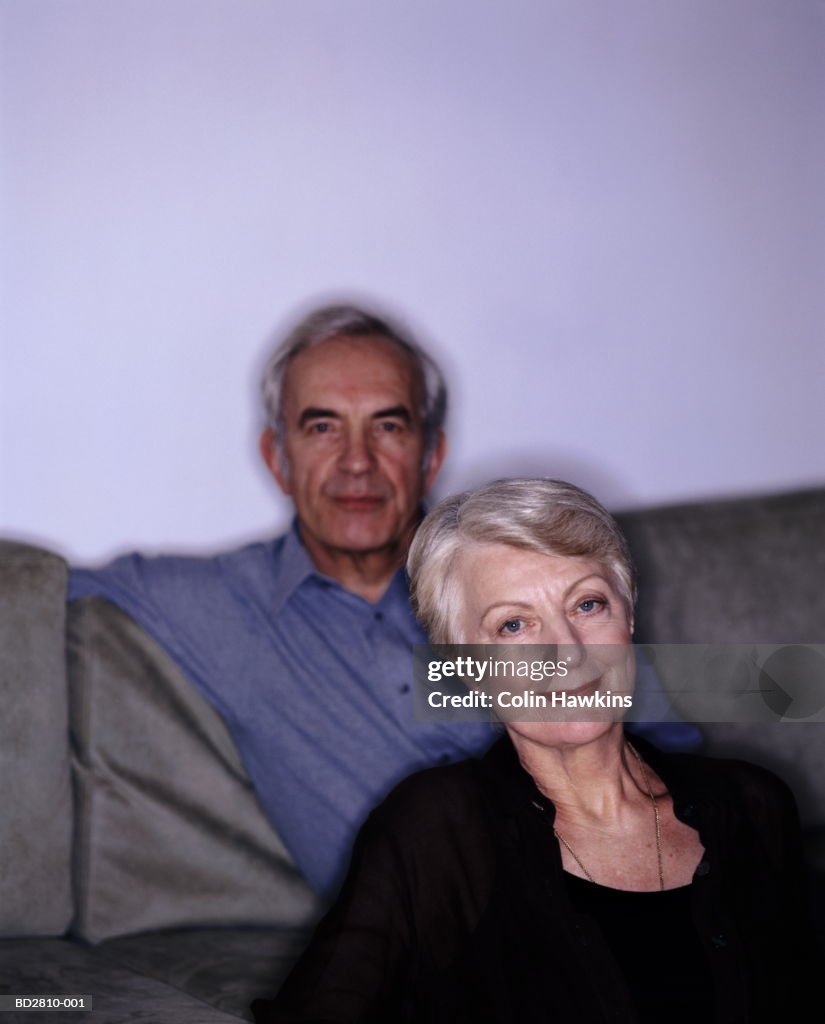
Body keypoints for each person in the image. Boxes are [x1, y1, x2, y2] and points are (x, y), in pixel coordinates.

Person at [68, 304, 698, 899]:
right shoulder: (216, 603)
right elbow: (36, 590)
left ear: (431, 456)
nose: (358, 463)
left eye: (388, 425)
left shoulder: (524, 575)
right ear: (276, 457)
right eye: (322, 427)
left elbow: (678, 762)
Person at [252, 478, 818, 1023]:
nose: (567, 653)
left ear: (629, 616)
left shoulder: (753, 802)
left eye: (588, 605)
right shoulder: (436, 830)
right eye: (515, 625)